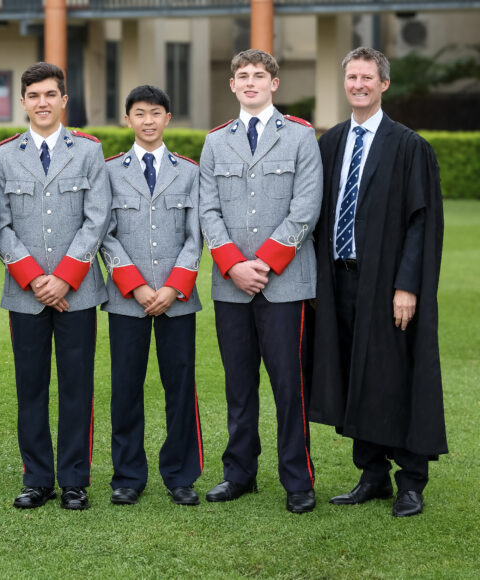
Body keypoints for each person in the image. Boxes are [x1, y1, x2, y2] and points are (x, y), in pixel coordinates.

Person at [309, 47, 445, 518]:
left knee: (395, 375)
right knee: (353, 374)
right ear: (344, 83)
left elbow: (420, 223)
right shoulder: (330, 143)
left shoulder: (409, 146)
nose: (359, 84)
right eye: (352, 77)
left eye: (368, 77)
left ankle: (410, 479)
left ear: (384, 84)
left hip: (387, 284)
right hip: (339, 282)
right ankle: (371, 473)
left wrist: (407, 286)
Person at [198, 49, 322, 513]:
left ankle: (297, 479)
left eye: (259, 75)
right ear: (232, 86)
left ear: (274, 83)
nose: (250, 82)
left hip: (285, 283)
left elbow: (306, 207)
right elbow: (207, 209)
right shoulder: (215, 142)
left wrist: (264, 264)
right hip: (231, 284)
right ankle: (239, 473)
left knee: (289, 385)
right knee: (238, 383)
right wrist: (233, 265)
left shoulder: (299, 136)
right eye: (242, 76)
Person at [0, 62, 110, 511]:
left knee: (77, 385)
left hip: (76, 289)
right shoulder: (3, 156)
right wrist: (34, 278)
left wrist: (64, 277)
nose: (42, 103)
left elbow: (96, 217)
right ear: (23, 102)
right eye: (34, 95)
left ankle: (75, 479)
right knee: (31, 387)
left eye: (50, 95)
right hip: (26, 291)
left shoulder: (88, 152)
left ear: (64, 100)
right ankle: (37, 478)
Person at [100, 85, 204, 507]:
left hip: (177, 299)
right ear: (127, 119)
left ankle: (181, 475)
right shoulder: (108, 171)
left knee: (179, 386)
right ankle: (127, 475)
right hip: (129, 299)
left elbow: (198, 236)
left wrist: (173, 285)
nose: (147, 120)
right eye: (139, 113)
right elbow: (104, 234)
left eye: (155, 113)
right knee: (126, 386)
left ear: (168, 118)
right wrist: (138, 286)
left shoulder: (191, 172)